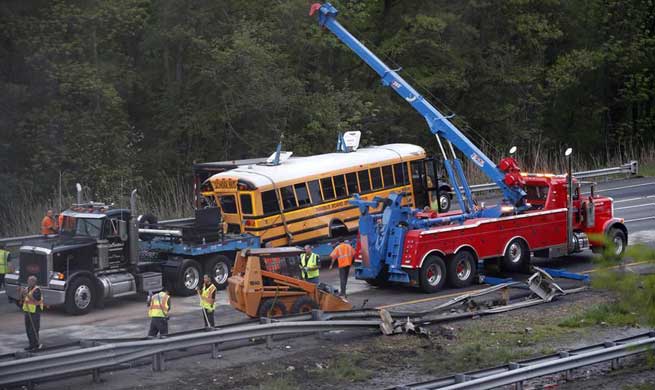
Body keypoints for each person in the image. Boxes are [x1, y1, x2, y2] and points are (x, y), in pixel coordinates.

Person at [21, 275, 43, 351]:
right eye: (28, 280)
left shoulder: (37, 290)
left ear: (34, 282)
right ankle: (31, 344)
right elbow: (23, 299)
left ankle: (35, 345)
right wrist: (22, 293)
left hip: (35, 312)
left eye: (30, 281)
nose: (28, 282)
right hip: (27, 311)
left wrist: (27, 294)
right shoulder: (27, 288)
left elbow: (36, 300)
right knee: (28, 329)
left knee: (33, 330)